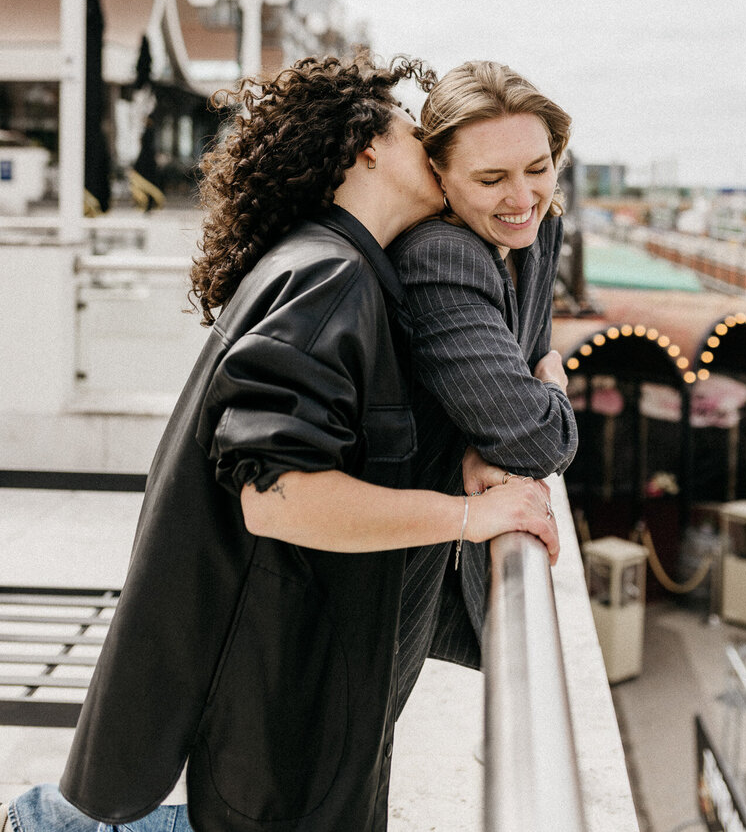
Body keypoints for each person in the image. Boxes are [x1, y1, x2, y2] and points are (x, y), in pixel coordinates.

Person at [1, 55, 557, 832]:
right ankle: (48, 822)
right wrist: (470, 516)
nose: (428, 143)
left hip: (292, 633)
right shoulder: (330, 278)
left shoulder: (332, 263)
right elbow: (278, 497)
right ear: (367, 146)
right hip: (275, 641)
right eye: (410, 127)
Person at [388, 59, 578, 708]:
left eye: (538, 168)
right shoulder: (439, 256)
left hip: (441, 555)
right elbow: (535, 436)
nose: (522, 198)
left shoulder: (540, 230)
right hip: (383, 566)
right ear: (437, 174)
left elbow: (524, 367)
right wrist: (552, 386)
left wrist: (489, 430)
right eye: (491, 179)